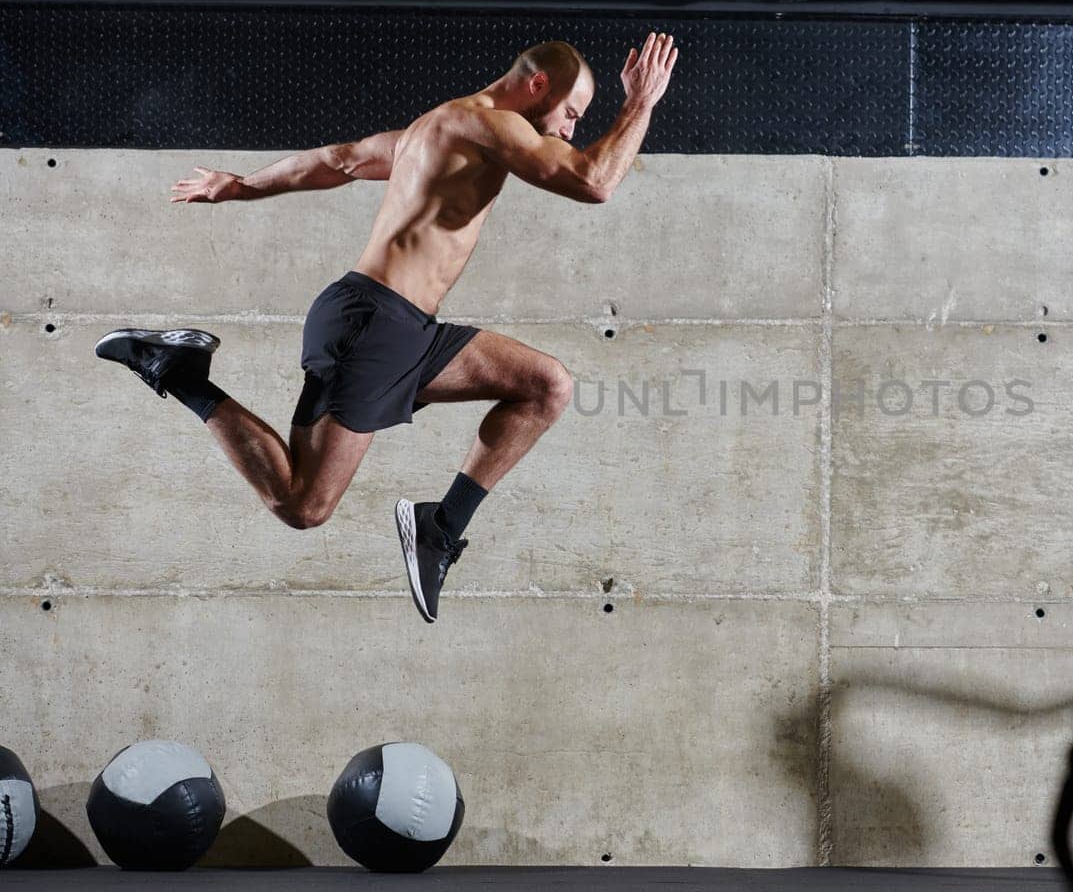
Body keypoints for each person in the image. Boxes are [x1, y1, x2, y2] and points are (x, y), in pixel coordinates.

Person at [95, 33, 680, 623]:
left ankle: (440, 528)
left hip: (403, 327)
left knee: (545, 386)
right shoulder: (490, 124)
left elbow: (339, 160)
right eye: (571, 113)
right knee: (304, 506)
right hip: (373, 325)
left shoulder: (438, 128)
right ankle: (174, 370)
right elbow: (594, 182)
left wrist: (242, 185)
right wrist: (641, 103)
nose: (570, 129)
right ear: (536, 87)